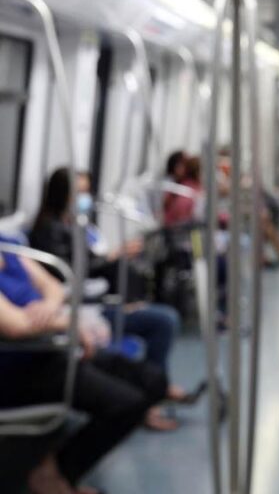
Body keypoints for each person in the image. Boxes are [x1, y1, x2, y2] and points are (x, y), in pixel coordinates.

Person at [29, 169, 203, 430]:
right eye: (80, 192)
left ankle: (157, 390)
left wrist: (124, 291)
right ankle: (152, 398)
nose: (85, 197)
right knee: (162, 321)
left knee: (164, 320)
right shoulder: (48, 232)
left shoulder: (75, 225)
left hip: (99, 302)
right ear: (62, 194)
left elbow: (93, 265)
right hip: (86, 309)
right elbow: (70, 272)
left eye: (87, 191)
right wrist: (113, 256)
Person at [0, 235, 166, 494]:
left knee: (153, 381)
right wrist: (68, 323)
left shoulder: (7, 246)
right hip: (21, 368)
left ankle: (52, 459)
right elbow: (16, 326)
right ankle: (53, 473)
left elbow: (53, 286)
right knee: (127, 404)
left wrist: (47, 307)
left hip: (53, 350)